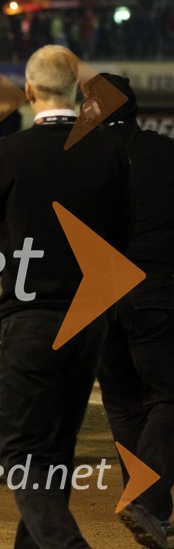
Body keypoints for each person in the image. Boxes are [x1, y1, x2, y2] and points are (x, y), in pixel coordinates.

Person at [0, 46, 132, 548]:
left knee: (20, 450)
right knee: (55, 449)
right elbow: (122, 240)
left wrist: (17, 253)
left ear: (30, 91)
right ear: (80, 90)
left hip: (31, 317)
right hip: (89, 320)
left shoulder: (11, 152)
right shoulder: (108, 151)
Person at [87, 73, 173, 549]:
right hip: (154, 287)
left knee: (123, 402)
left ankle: (142, 501)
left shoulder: (78, 159)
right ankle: (149, 501)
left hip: (96, 294)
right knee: (168, 396)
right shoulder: (164, 152)